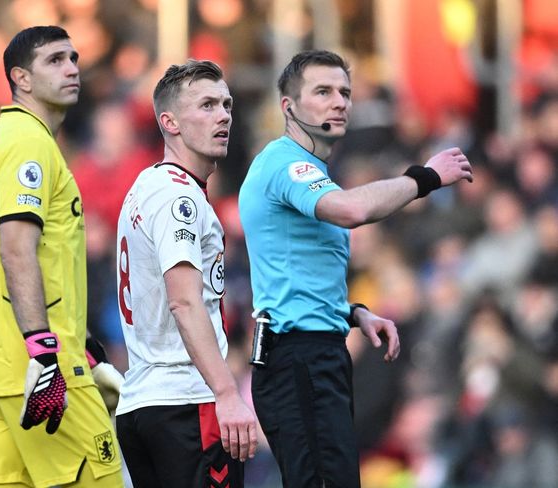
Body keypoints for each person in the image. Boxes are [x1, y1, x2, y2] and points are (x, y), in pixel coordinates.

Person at [238, 49, 474, 488]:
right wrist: (425, 177)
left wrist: (353, 313)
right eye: (323, 91)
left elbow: (293, 276)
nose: (340, 102)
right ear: (288, 107)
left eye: (345, 92)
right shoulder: (286, 163)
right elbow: (349, 210)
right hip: (299, 358)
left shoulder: (308, 171)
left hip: (312, 354)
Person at [0, 26, 124, 487]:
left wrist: (86, 345)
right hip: (40, 374)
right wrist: (46, 355)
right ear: (21, 78)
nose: (72, 68)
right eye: (54, 60)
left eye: (73, 58)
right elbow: (16, 248)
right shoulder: (28, 144)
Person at [115, 59, 258, 488]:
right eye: (207, 105)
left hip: (143, 403)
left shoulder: (144, 189)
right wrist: (228, 393)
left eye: (226, 105)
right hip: (186, 402)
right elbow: (183, 299)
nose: (223, 116)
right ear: (169, 122)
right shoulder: (180, 199)